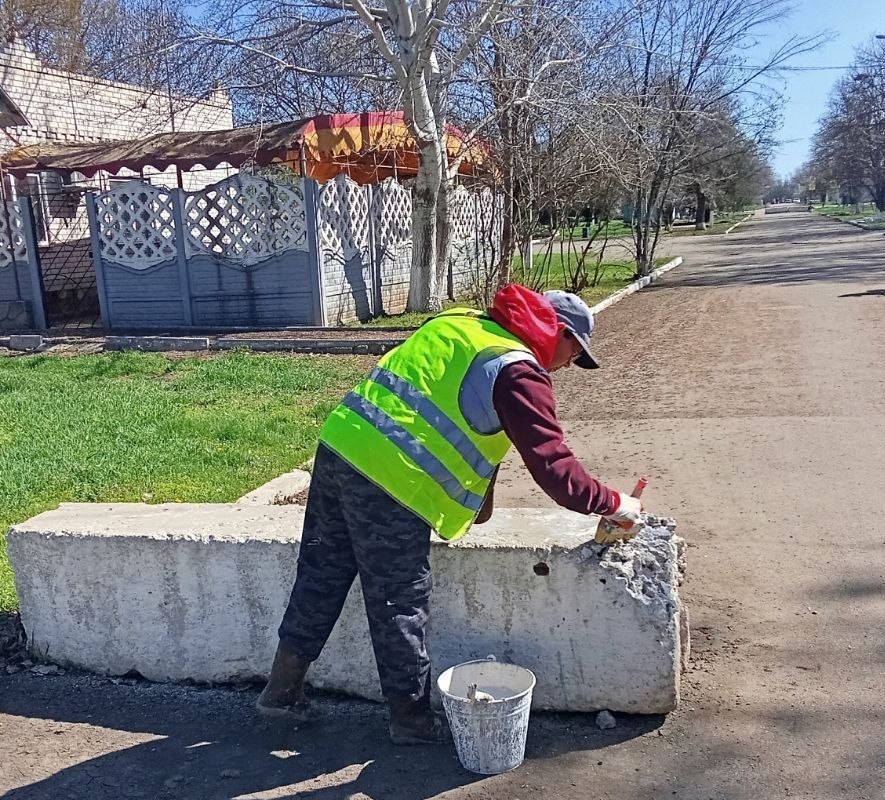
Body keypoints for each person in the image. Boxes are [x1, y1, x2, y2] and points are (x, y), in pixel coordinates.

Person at [255, 285, 644, 744]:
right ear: (557, 331)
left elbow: (450, 411)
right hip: (391, 476)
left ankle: (280, 693)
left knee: (322, 573)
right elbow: (555, 469)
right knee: (399, 599)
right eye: (573, 353)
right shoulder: (519, 371)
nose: (566, 366)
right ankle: (412, 723)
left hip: (341, 442)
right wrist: (616, 503)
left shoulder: (461, 323)